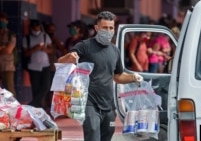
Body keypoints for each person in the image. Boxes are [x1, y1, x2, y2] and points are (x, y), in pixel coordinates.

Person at [57, 11, 143, 141]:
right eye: (104, 28)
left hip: (108, 105)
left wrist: (133, 77)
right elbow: (60, 62)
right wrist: (68, 57)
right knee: (92, 133)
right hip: (89, 102)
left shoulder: (115, 51)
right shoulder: (85, 46)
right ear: (97, 28)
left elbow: (118, 76)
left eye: (111, 28)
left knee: (107, 135)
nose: (108, 31)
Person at [22, 19, 53, 108]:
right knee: (35, 88)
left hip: (45, 65)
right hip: (33, 66)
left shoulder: (45, 36)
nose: (36, 28)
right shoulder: (27, 38)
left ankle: (33, 104)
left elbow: (51, 50)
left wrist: (45, 49)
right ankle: (38, 107)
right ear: (31, 27)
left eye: (38, 26)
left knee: (46, 86)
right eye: (34, 26)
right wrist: (34, 49)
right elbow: (25, 53)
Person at [0, 12, 17, 96]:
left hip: (8, 66)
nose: (1, 22)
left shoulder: (11, 35)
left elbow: (8, 50)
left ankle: (14, 107)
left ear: (6, 21)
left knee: (9, 90)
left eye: (3, 20)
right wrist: (3, 47)